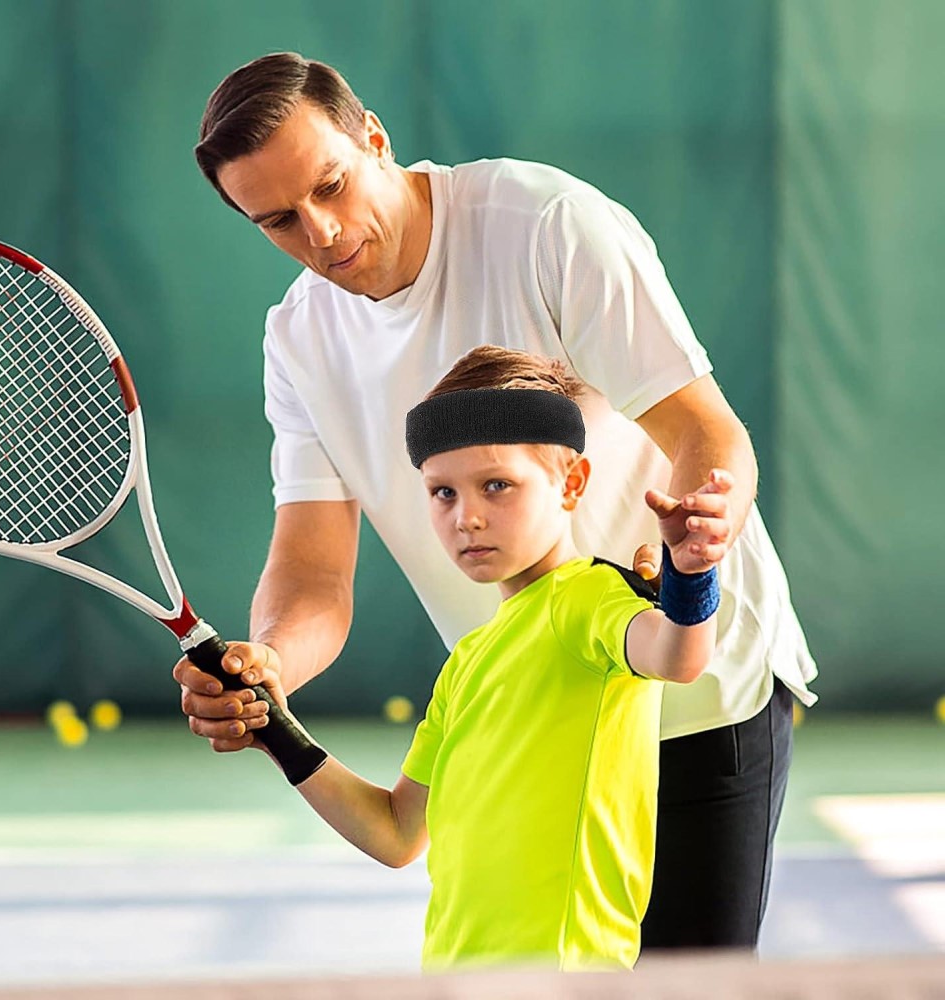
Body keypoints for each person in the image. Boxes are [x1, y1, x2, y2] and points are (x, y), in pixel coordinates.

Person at [175, 52, 818, 950]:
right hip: (528, 707)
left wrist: (694, 550)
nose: (318, 233)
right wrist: (272, 664)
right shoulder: (299, 340)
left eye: (331, 185)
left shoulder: (546, 226)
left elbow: (709, 438)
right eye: (277, 220)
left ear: (375, 139)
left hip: (701, 694)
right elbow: (315, 570)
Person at [244, 347, 727, 970]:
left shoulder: (587, 599)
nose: (466, 517)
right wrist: (275, 732)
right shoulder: (467, 659)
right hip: (456, 975)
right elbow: (395, 833)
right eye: (442, 493)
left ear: (570, 483)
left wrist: (692, 577)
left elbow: (678, 655)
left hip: (564, 977)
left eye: (496, 485)